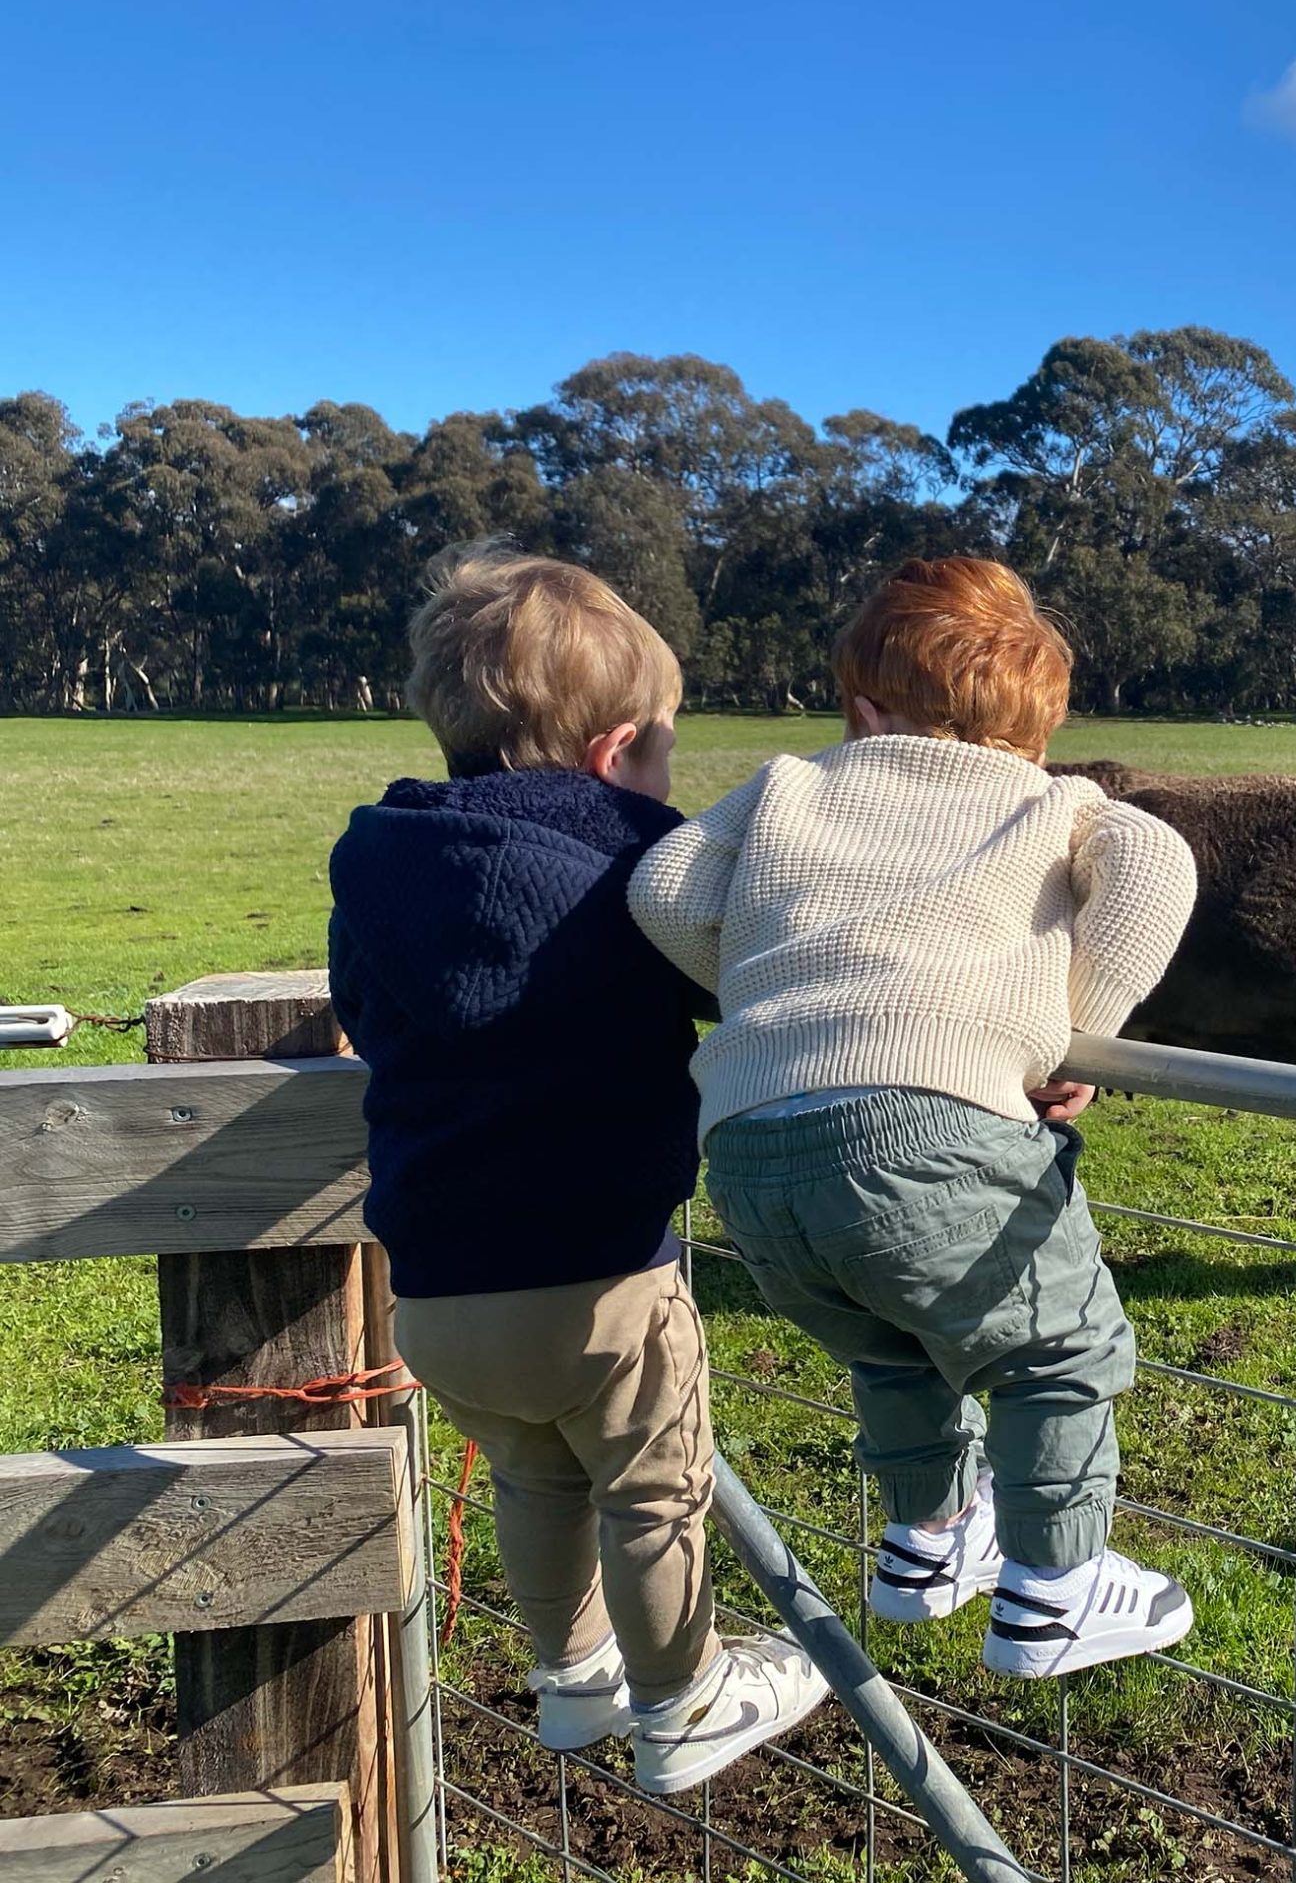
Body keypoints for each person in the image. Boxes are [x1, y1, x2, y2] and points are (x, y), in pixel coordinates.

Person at [628, 555, 1198, 1678]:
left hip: (749, 1148)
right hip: (934, 1128)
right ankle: (1058, 1589)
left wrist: (769, 994)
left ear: (859, 707)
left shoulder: (791, 782)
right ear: (1034, 728)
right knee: (1057, 1352)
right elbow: (1158, 864)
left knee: (892, 1349)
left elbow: (663, 889)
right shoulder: (1050, 797)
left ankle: (928, 1543)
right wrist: (1071, 1028)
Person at [327, 545, 826, 1793]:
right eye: (661, 747)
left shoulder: (381, 870)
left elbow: (357, 1005)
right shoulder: (634, 874)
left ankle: (572, 1678)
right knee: (657, 1492)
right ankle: (681, 1698)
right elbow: (734, 986)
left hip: (436, 1293)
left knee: (535, 1476)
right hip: (603, 1278)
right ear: (614, 754)